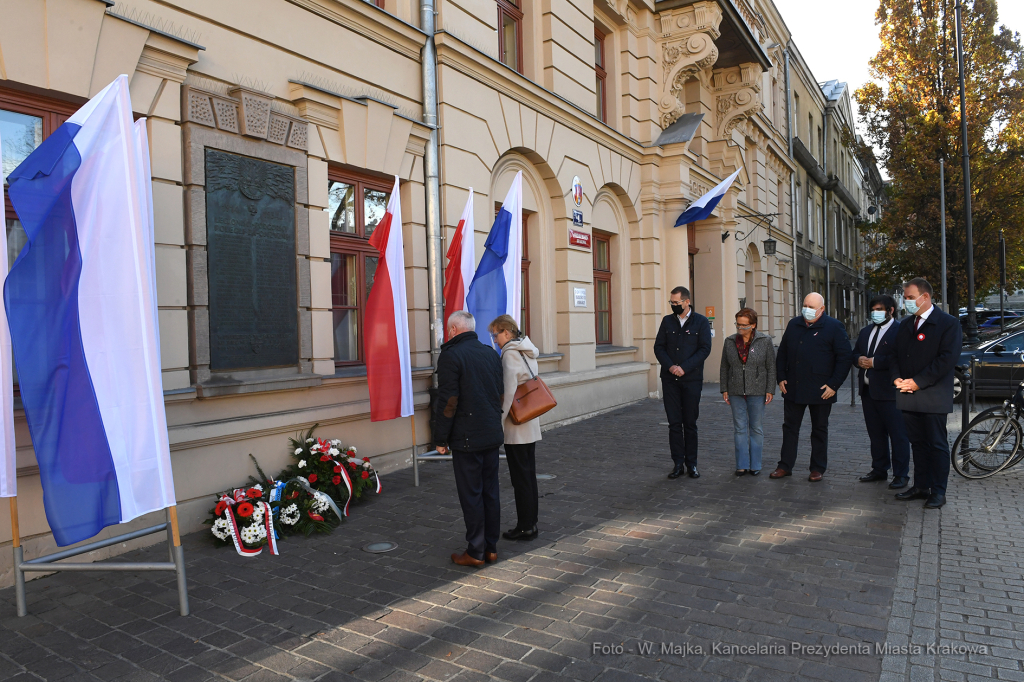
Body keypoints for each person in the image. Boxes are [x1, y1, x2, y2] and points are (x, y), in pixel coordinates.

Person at [433, 311, 505, 567]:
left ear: (453, 330)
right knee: (490, 492)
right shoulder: (489, 353)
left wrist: (440, 438)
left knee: (472, 494)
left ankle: (475, 551)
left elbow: (448, 401)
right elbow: (500, 393)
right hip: (490, 432)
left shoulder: (451, 355)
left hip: (467, 436)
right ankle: (491, 548)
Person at [888, 278, 961, 509]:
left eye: (910, 298)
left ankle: (938, 491)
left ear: (925, 297)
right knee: (917, 443)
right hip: (908, 394)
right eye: (905, 298)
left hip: (933, 395)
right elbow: (894, 356)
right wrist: (896, 377)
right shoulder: (906, 324)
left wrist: (918, 382)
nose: (906, 302)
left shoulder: (948, 324)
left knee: (936, 444)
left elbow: (946, 360)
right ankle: (921, 486)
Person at [771, 292, 853, 482]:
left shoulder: (834, 327)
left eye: (811, 306)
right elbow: (782, 352)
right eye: (805, 305)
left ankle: (817, 468)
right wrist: (781, 376)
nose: (806, 309)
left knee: (819, 429)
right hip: (794, 387)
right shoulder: (794, 324)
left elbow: (844, 357)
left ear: (822, 309)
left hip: (822, 389)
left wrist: (834, 384)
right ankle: (785, 465)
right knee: (790, 428)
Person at [488, 315, 541, 541]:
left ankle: (525, 526)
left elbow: (508, 393)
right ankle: (531, 522)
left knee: (520, 478)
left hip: (516, 425)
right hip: (530, 421)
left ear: (507, 332)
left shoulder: (509, 354)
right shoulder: (526, 349)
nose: (495, 339)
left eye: (496, 334)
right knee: (529, 475)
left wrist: (498, 424)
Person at [852, 295, 910, 489]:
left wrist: (875, 362)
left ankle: (901, 475)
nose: (875, 313)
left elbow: (901, 358)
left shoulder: (900, 330)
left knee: (898, 435)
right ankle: (879, 469)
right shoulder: (866, 331)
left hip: (890, 392)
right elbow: (855, 352)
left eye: (879, 309)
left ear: (891, 310)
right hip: (868, 392)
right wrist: (859, 359)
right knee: (876, 434)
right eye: (873, 310)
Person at [654, 286, 712, 479]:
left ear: (687, 302)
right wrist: (671, 367)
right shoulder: (667, 321)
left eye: (677, 303)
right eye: (671, 303)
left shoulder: (701, 322)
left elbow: (704, 349)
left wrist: (684, 367)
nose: (673, 306)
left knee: (690, 422)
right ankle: (677, 463)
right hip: (670, 379)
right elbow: (659, 347)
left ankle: (692, 464)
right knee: (674, 423)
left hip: (691, 379)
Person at [720, 308, 776, 476]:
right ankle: (742, 464)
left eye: (745, 326)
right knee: (739, 428)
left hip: (757, 390)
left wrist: (770, 389)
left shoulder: (765, 341)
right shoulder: (730, 341)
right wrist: (724, 388)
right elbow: (724, 367)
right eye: (738, 325)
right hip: (735, 390)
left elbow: (771, 367)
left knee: (756, 427)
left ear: (753, 325)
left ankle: (755, 465)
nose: (741, 329)